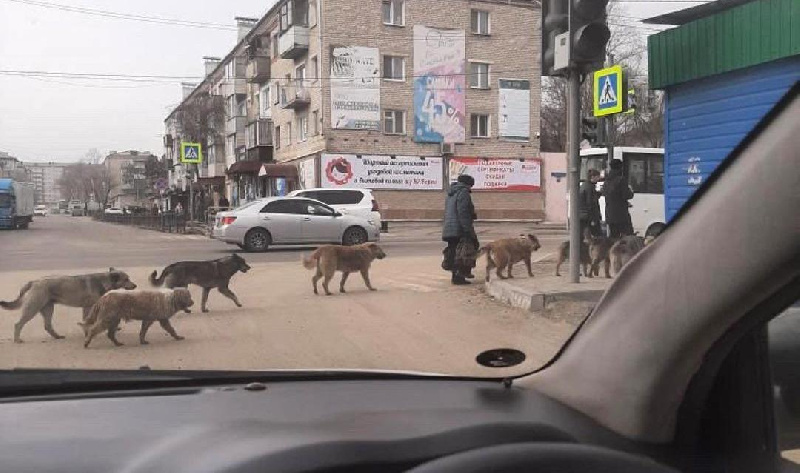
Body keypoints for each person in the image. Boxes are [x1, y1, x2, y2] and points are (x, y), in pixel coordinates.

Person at [442, 174, 479, 285]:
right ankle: (460, 275)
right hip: (459, 228)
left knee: (454, 252)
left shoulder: (451, 193)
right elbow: (463, 212)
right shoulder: (463, 193)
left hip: (449, 228)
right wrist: (467, 230)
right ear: (468, 184)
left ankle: (457, 275)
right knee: (468, 250)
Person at [602, 159, 634, 237]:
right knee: (628, 235)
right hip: (621, 215)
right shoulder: (621, 179)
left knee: (613, 236)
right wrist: (631, 191)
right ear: (620, 167)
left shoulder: (606, 180)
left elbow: (606, 194)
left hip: (609, 214)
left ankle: (613, 248)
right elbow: (626, 195)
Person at [579, 169, 603, 237]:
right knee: (598, 236)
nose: (598, 179)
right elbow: (591, 203)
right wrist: (594, 218)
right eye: (597, 177)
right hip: (589, 216)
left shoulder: (585, 185)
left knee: (584, 235)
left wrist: (598, 193)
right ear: (592, 177)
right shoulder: (589, 187)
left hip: (584, 216)